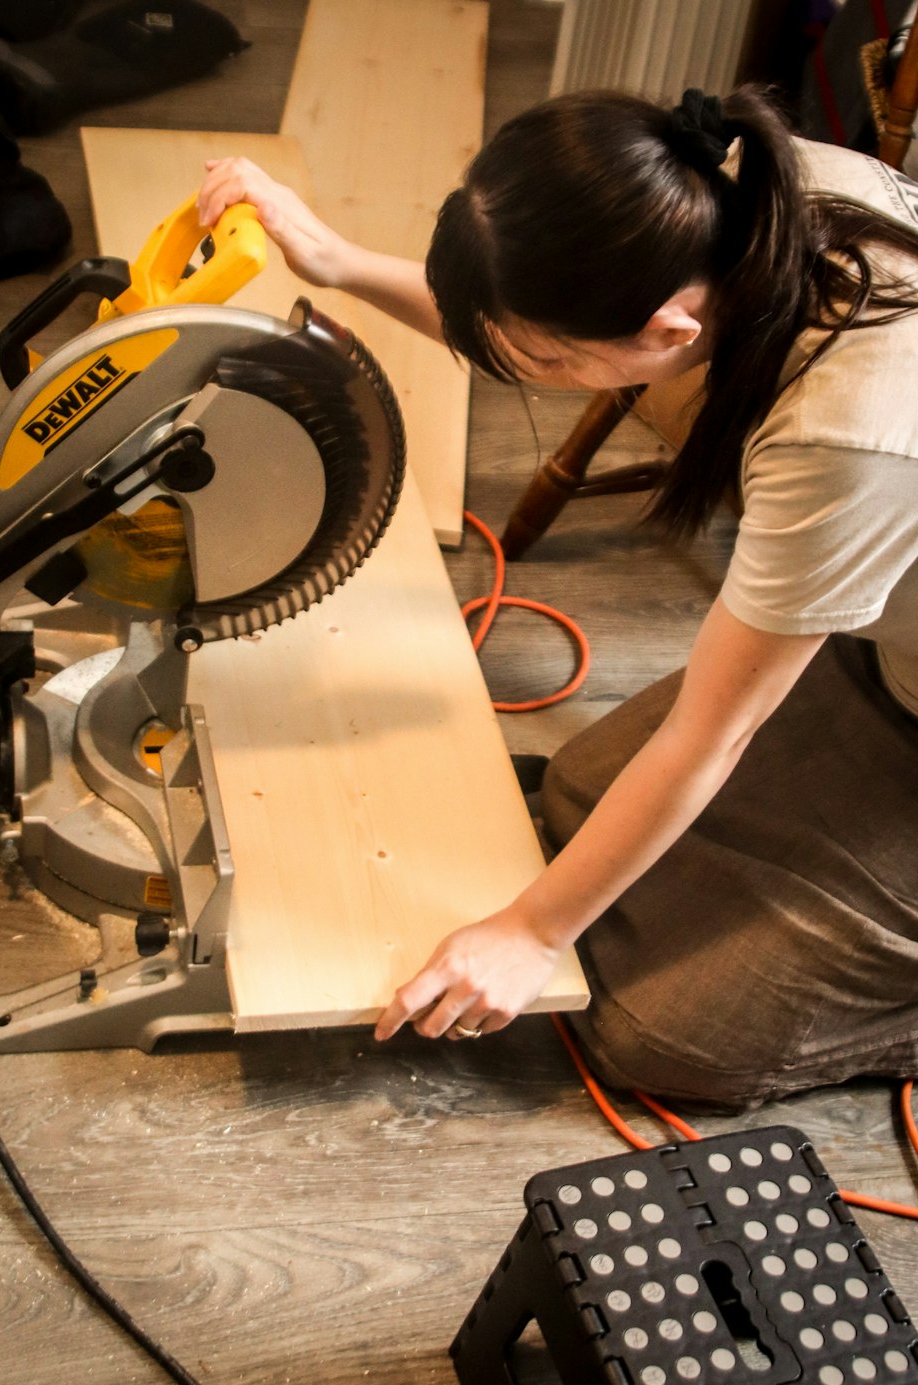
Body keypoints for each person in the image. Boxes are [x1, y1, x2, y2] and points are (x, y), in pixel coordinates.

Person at [198, 86, 918, 1109]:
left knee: (658, 1030)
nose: (525, 373)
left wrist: (533, 933)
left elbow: (712, 736)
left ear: (671, 330)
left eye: (544, 361)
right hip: (885, 639)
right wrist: (339, 262)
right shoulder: (723, 188)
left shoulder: (847, 435)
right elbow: (526, 322)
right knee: (575, 795)